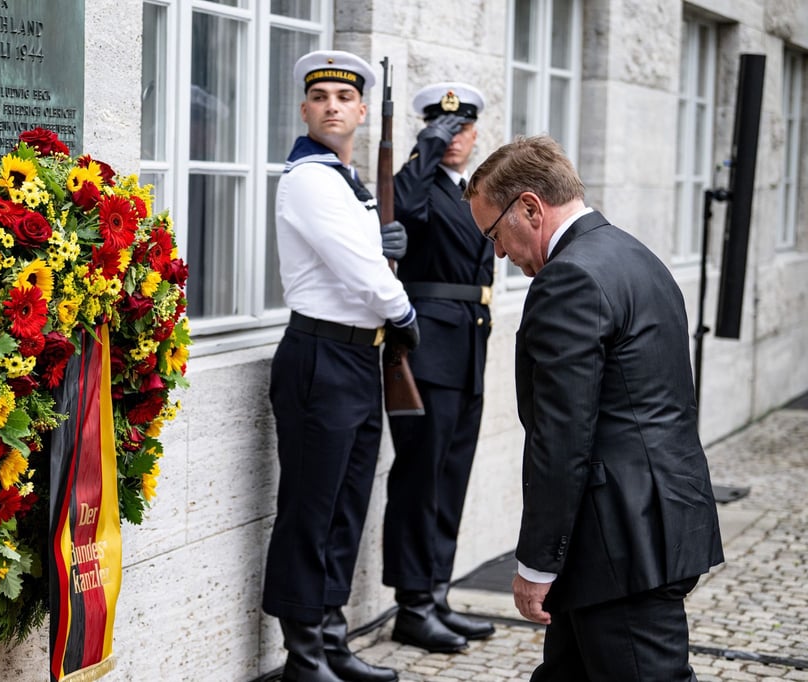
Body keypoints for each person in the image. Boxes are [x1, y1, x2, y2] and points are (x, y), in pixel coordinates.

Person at [465, 134, 725, 681]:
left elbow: (563, 438)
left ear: (530, 207)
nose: (499, 253)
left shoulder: (570, 277)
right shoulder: (635, 254)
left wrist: (535, 563)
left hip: (620, 546)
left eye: (494, 233)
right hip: (644, 525)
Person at [263, 49, 419, 682]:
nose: (332, 106)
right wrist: (404, 311)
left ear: (360, 111)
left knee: (345, 508)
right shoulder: (309, 179)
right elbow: (360, 274)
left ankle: (331, 640)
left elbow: (365, 259)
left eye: (343, 98)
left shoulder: (347, 183)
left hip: (358, 359)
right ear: (304, 110)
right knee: (310, 508)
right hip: (320, 356)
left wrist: (386, 241)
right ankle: (304, 657)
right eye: (319, 97)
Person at [382, 82, 496, 653]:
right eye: (441, 128)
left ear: (476, 135)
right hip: (427, 352)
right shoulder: (420, 185)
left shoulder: (472, 193)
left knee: (450, 479)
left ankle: (438, 594)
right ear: (427, 130)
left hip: (470, 348)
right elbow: (398, 209)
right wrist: (423, 151)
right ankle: (412, 604)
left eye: (460, 129)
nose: (453, 138)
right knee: (419, 479)